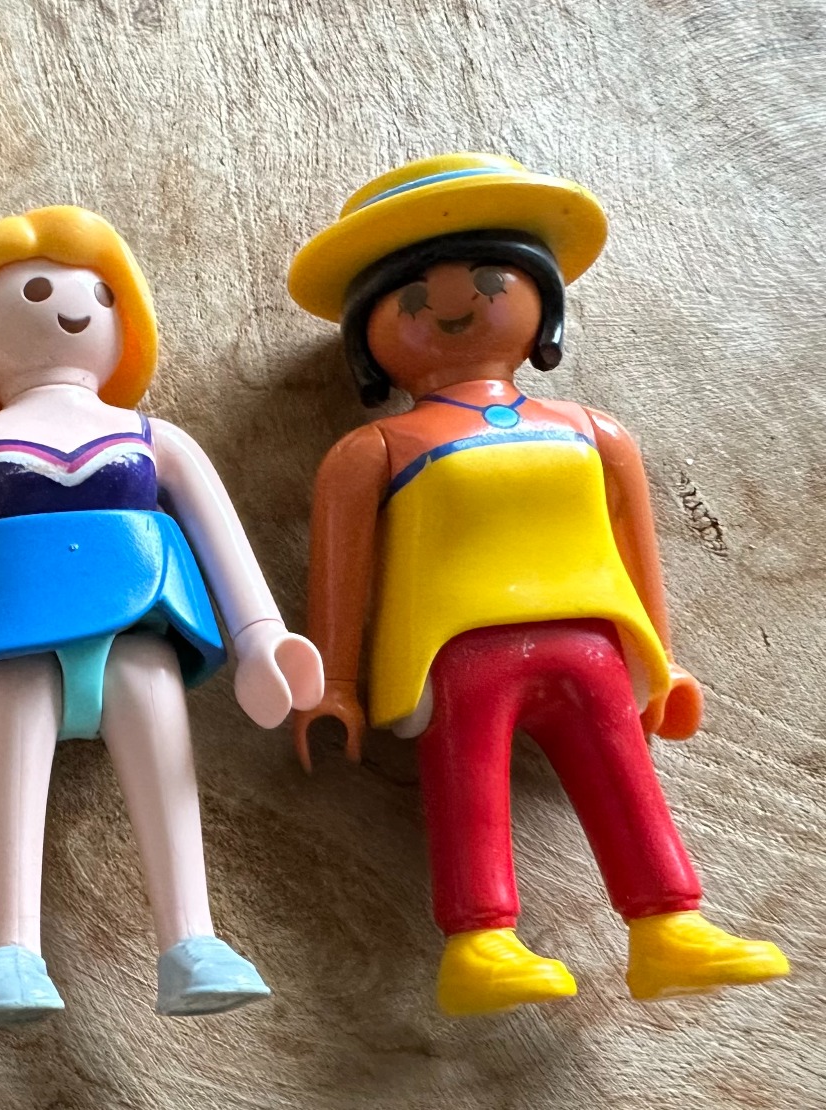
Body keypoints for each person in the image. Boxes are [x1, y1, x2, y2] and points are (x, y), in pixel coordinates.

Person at [288, 152, 789, 1016]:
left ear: (541, 298)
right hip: (456, 652)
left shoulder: (596, 432)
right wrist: (332, 681)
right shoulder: (377, 450)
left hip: (594, 643)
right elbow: (342, 569)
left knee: (625, 773)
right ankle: (479, 941)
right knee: (467, 782)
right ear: (368, 334)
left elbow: (636, 551)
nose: (452, 303)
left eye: (489, 279)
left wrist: (664, 661)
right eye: (413, 296)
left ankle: (668, 926)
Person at [0, 206, 323, 1024]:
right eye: (34, 292)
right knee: (8, 783)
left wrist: (262, 639)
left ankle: (192, 939)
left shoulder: (155, 437)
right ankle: (10, 951)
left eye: (100, 294)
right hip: (9, 643)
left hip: (138, 632)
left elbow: (224, 541)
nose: (72, 307)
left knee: (164, 763)